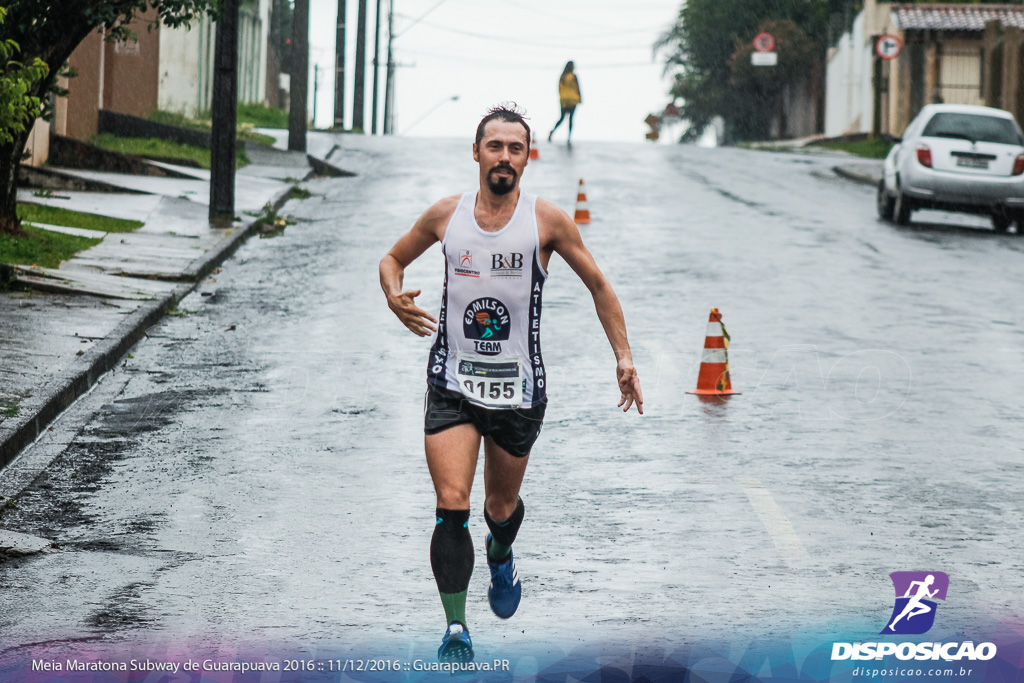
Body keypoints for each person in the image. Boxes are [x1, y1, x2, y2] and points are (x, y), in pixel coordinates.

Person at [379, 103, 643, 663]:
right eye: (494, 146)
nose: (504, 157)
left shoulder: (546, 222)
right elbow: (392, 258)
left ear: (527, 157)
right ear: (476, 153)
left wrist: (623, 355)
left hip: (518, 391)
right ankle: (456, 629)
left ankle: (501, 554)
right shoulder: (445, 216)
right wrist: (393, 294)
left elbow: (598, 284)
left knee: (500, 508)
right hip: (452, 382)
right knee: (452, 504)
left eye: (515, 148)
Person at [548, 61, 581, 146]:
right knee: (571, 119)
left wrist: (562, 98)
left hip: (564, 100)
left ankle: (553, 131)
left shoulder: (562, 77)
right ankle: (569, 138)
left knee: (562, 118)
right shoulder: (573, 76)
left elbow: (559, 89)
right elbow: (578, 88)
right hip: (573, 100)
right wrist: (580, 98)